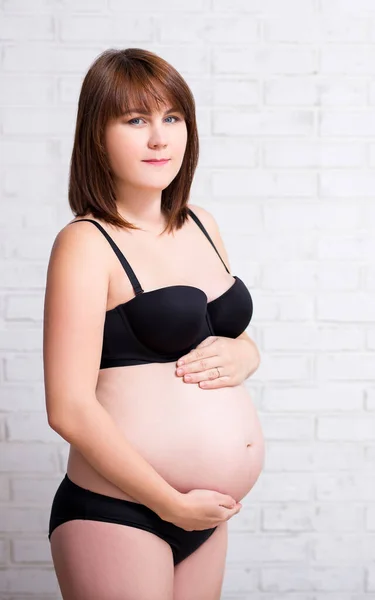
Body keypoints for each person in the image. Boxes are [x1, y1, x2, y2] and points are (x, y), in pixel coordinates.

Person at [43, 47, 265, 600]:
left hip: (205, 516)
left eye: (171, 118)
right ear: (97, 135)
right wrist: (170, 503)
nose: (159, 138)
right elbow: (67, 407)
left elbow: (220, 336)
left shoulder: (202, 224)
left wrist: (248, 354)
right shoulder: (86, 243)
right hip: (121, 512)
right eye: (135, 120)